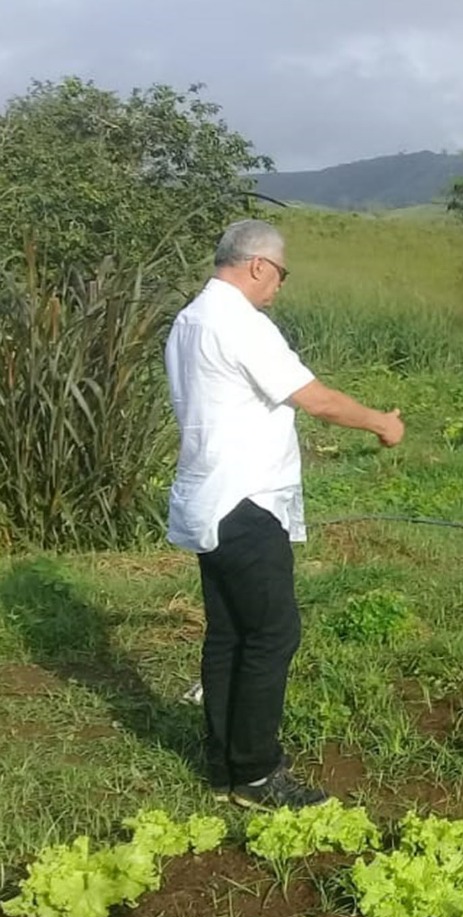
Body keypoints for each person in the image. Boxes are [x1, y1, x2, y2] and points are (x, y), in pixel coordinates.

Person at [166, 220, 405, 810]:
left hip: (209, 499)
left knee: (229, 632)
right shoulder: (241, 324)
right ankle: (256, 772)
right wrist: (382, 422)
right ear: (256, 266)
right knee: (273, 633)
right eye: (280, 273)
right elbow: (314, 398)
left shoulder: (189, 320)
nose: (279, 286)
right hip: (245, 501)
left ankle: (224, 762)